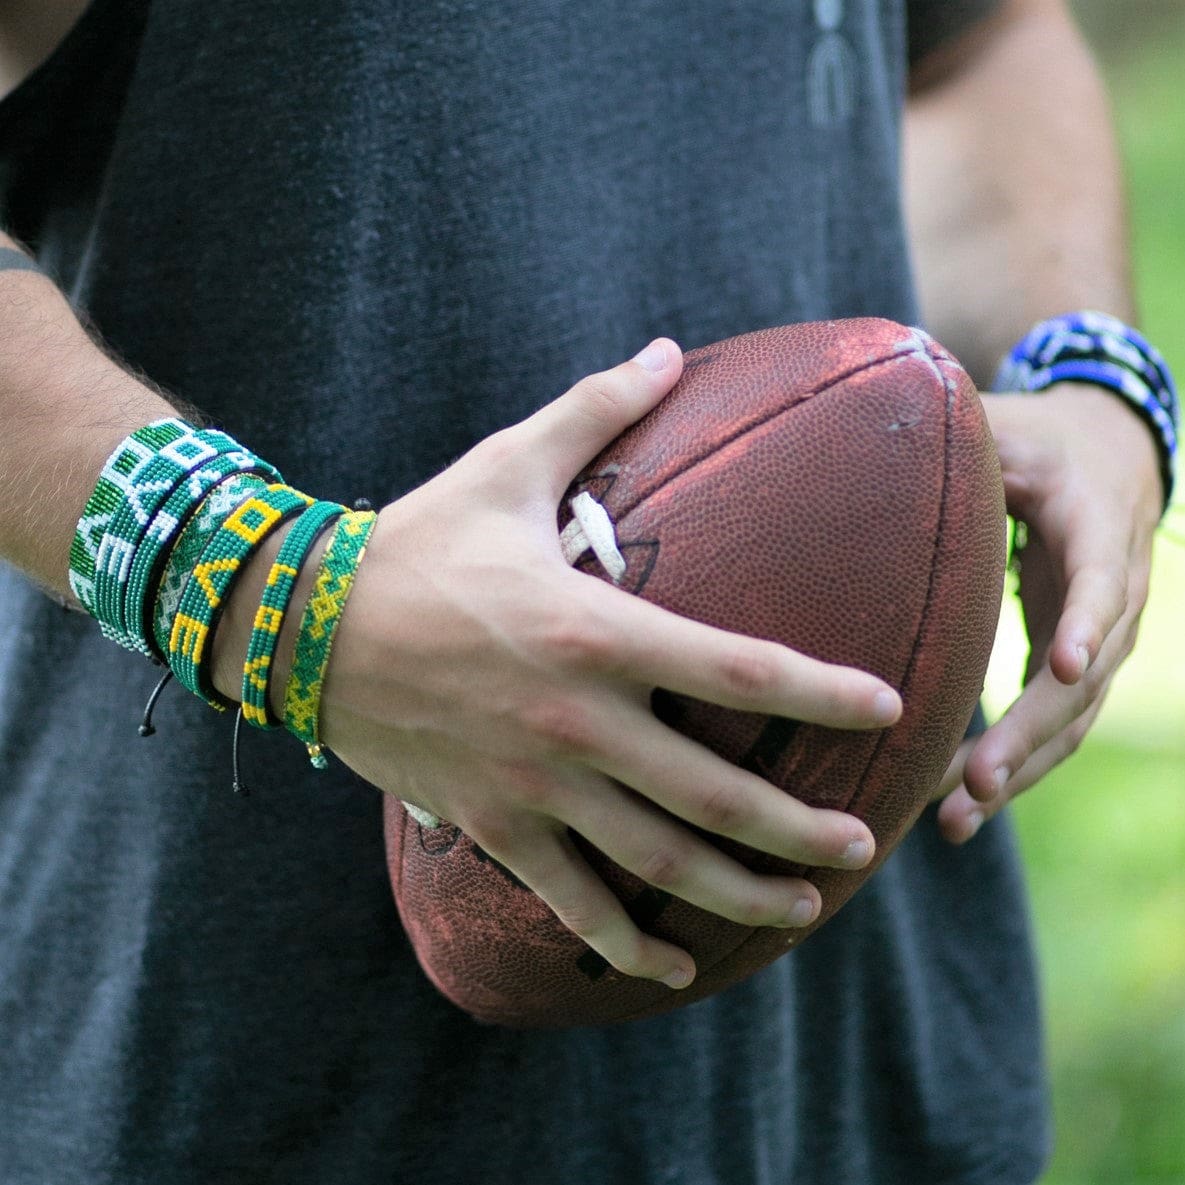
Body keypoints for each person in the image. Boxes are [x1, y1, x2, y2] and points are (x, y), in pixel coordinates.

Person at [0, 1, 1170, 1182]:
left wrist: (1087, 375)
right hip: (245, 1046)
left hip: (860, 1044)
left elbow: (976, 44)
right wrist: (272, 589)